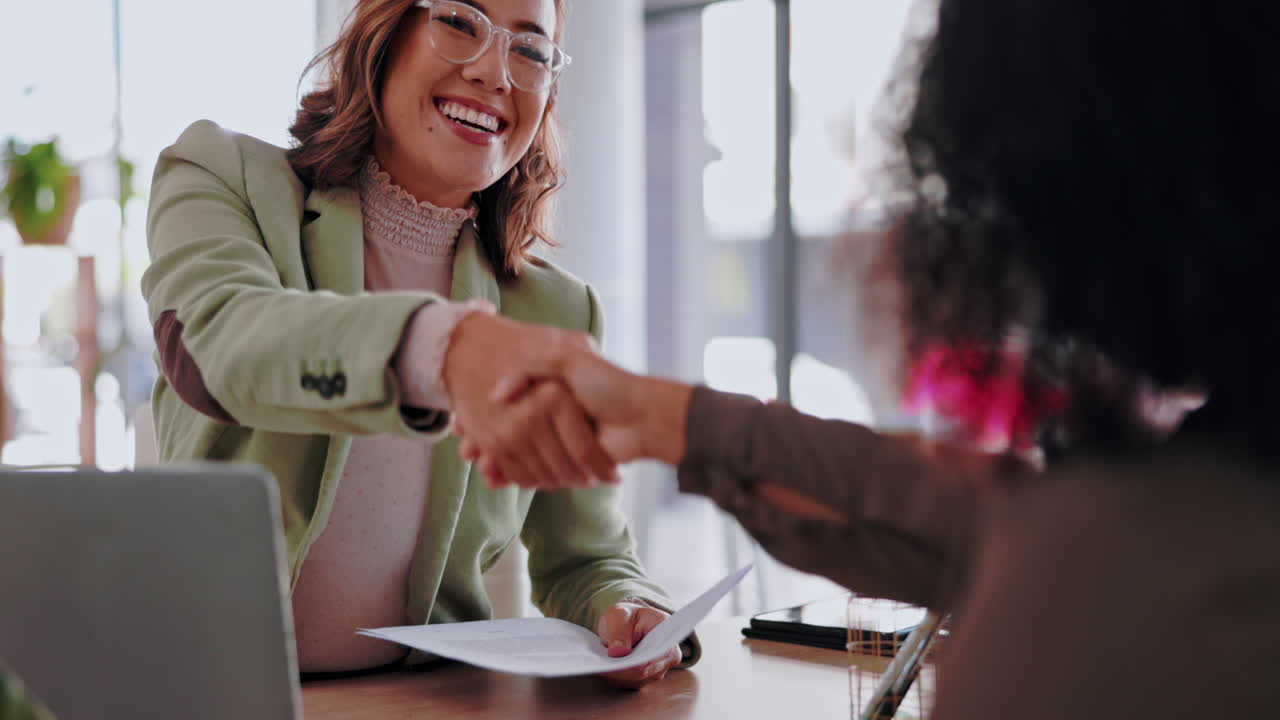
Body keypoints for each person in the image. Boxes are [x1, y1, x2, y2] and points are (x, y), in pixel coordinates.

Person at [463, 0, 1280, 716]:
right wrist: (667, 419)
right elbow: (967, 511)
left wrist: (657, 466)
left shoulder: (1133, 579)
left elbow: (1018, 533)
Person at [141, 0, 691, 687]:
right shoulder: (225, 176)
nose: (496, 73)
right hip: (209, 692)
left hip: (418, 701)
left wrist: (627, 611)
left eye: (531, 51)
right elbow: (217, 345)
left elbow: (587, 558)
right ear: (384, 33)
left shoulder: (553, 307)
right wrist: (442, 349)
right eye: (460, 22)